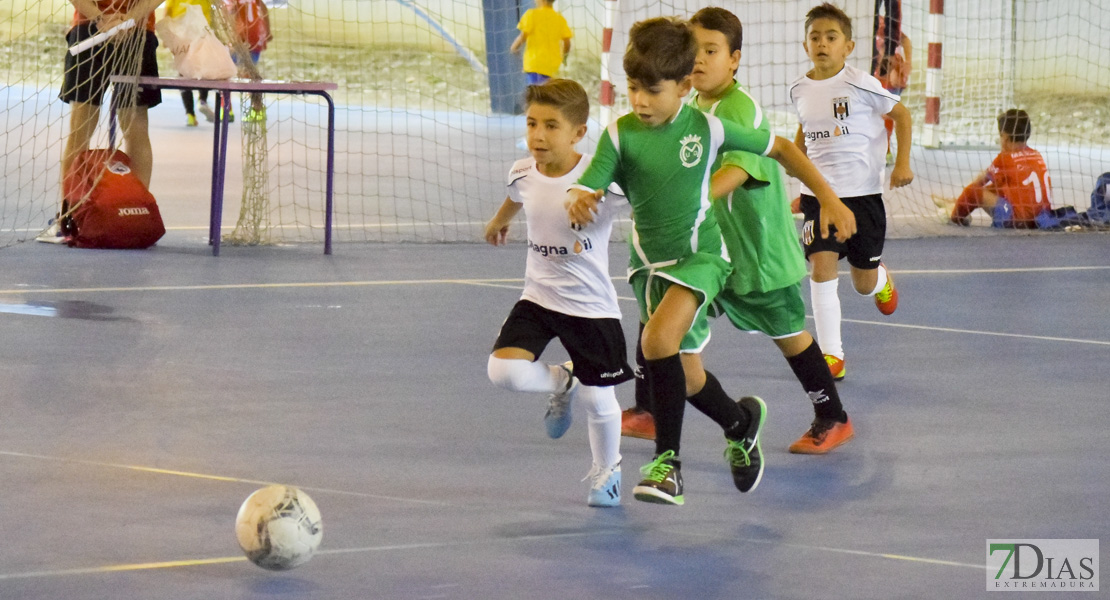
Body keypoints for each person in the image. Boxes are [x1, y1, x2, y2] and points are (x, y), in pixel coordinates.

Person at [567, 17, 856, 505]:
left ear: (679, 85)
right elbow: (589, 179)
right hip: (651, 264)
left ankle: (668, 465)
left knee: (662, 340)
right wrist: (578, 196)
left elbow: (777, 151)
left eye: (650, 90)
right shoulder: (623, 133)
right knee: (686, 369)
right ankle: (739, 424)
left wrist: (828, 198)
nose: (639, 100)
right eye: (632, 88)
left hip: (722, 252)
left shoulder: (717, 122)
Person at [484, 79, 633, 508]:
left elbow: (645, 201)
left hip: (589, 307)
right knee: (503, 372)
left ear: (578, 133)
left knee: (598, 396)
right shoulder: (522, 171)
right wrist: (499, 222)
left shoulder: (598, 180)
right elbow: (518, 196)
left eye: (551, 126)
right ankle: (562, 378)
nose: (538, 135)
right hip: (538, 297)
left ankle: (608, 472)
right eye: (532, 124)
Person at [790, 2, 913, 382]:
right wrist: (800, 183)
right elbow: (804, 132)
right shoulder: (799, 89)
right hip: (820, 199)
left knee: (861, 282)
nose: (822, 44)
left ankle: (879, 279)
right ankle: (832, 356)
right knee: (822, 266)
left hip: (863, 199)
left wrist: (902, 164)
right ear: (806, 44)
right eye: (815, 37)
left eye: (831, 37)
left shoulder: (862, 83)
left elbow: (903, 116)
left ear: (849, 46)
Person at [39, 0, 165, 244]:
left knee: (129, 128)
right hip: (106, 28)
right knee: (87, 128)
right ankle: (72, 217)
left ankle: (131, 211)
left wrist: (113, 19)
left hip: (129, 30)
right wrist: (107, 18)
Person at [944, 109, 1053, 228]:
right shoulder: (1037, 155)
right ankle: (958, 204)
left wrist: (962, 202)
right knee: (998, 188)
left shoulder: (1005, 158)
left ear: (1004, 137)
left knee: (973, 192)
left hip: (1017, 221)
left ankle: (954, 217)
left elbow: (978, 183)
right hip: (1042, 219)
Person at [163, 0, 214, 126]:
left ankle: (190, 114)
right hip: (201, 31)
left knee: (183, 73)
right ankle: (202, 100)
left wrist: (166, 35)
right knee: (202, 69)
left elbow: (168, 11)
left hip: (181, 33)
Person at [872, 0, 910, 164]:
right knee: (875, 113)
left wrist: (909, 62)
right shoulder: (866, 24)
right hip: (875, 74)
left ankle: (886, 150)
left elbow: (905, 40)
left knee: (887, 112)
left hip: (889, 73)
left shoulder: (884, 23)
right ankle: (877, 149)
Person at [226, 0, 272, 122]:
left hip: (243, 36)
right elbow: (264, 8)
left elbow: (231, 12)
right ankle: (257, 108)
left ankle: (227, 110)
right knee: (249, 72)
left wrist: (233, 38)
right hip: (257, 35)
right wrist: (268, 31)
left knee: (225, 71)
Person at [510, 0, 572, 86]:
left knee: (536, 94)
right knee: (546, 93)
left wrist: (514, 47)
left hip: (535, 64)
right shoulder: (559, 18)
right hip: (552, 67)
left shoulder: (532, 14)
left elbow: (523, 36)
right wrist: (565, 56)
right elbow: (567, 42)